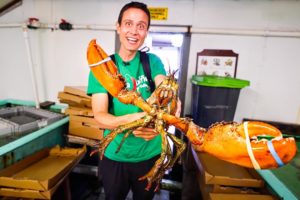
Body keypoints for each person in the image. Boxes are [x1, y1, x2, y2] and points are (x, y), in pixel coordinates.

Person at [87, 2, 180, 200]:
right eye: (128, 23)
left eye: (141, 26)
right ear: (118, 27)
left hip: (149, 155)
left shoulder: (152, 61)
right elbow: (100, 117)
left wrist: (171, 98)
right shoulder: (103, 68)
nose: (134, 31)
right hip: (115, 157)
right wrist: (135, 118)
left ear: (146, 31)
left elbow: (163, 85)